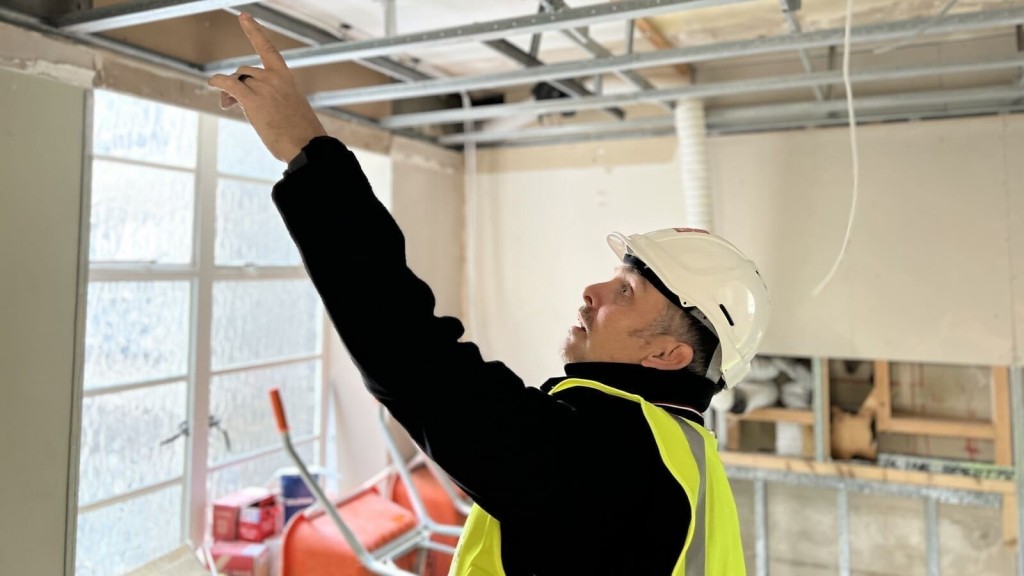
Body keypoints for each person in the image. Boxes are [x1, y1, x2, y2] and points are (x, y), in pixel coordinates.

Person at [209, 13, 770, 576]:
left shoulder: (615, 461)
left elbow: (412, 357)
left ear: (668, 356)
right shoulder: (681, 459)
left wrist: (308, 153)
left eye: (627, 290)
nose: (593, 291)